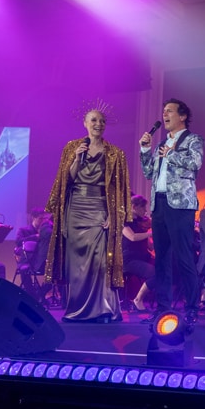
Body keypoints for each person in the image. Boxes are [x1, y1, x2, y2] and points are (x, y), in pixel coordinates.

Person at [46, 107, 131, 322]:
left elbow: (120, 189)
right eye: (94, 120)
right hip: (76, 209)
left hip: (100, 208)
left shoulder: (115, 153)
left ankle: (103, 309)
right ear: (85, 123)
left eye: (102, 121)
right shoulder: (72, 147)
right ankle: (77, 309)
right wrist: (76, 159)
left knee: (101, 261)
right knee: (77, 264)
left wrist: (115, 215)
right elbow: (66, 180)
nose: (98, 124)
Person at [139, 98, 204, 325]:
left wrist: (171, 154)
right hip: (159, 203)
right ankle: (163, 308)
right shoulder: (160, 144)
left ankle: (192, 307)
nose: (165, 115)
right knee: (162, 259)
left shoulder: (192, 139)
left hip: (180, 206)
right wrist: (146, 149)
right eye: (163, 111)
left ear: (182, 116)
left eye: (169, 111)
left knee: (184, 257)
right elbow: (149, 173)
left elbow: (195, 163)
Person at [122, 194, 156, 311]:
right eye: (143, 208)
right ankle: (138, 299)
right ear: (134, 207)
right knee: (154, 273)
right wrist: (150, 233)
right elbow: (132, 237)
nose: (145, 211)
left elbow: (149, 246)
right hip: (129, 259)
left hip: (143, 256)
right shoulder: (124, 221)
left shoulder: (142, 222)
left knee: (165, 270)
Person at [15, 208, 52, 296]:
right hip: (27, 260)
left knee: (54, 271)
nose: (43, 221)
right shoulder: (23, 230)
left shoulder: (46, 231)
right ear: (33, 218)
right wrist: (34, 237)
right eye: (40, 219)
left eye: (45, 219)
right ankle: (31, 295)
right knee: (24, 269)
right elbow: (18, 242)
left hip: (41, 260)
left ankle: (40, 294)